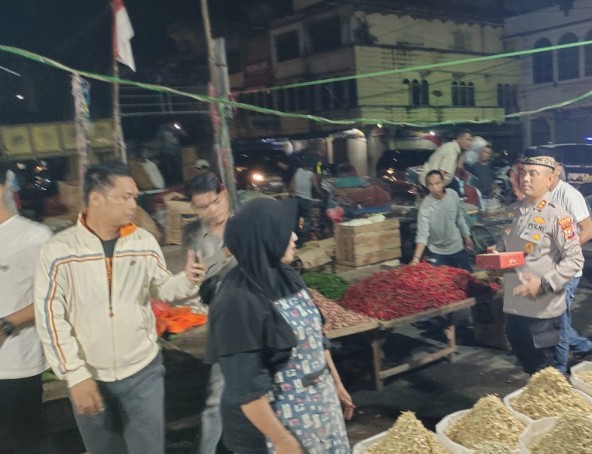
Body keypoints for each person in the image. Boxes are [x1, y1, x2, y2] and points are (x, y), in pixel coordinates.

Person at [33, 161, 204, 454]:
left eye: (135, 197)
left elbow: (161, 288)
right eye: (125, 197)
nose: (133, 204)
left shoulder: (142, 241)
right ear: (97, 199)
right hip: (90, 377)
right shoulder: (60, 251)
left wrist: (187, 280)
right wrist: (75, 375)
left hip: (143, 370)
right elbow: (50, 317)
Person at [206, 198, 353, 454]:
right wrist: (283, 440)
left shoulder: (287, 275)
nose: (294, 237)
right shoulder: (236, 301)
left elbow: (316, 335)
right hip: (277, 423)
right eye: (286, 231)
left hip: (321, 405)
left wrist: (336, 383)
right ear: (265, 236)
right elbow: (246, 389)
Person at [492, 154, 584, 374]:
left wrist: (544, 283)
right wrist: (496, 254)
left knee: (547, 371)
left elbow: (575, 259)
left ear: (549, 180)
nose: (526, 179)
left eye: (534, 174)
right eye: (523, 173)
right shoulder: (514, 211)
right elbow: (507, 247)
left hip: (543, 309)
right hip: (515, 305)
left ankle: (556, 407)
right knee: (526, 363)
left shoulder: (557, 216)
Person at [0, 161, 53, 454]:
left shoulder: (33, 237)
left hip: (16, 364)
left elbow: (52, 297)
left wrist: (8, 323)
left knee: (25, 441)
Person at [183, 173, 238, 454]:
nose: (212, 211)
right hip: (223, 321)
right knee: (216, 397)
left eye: (215, 202)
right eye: (203, 207)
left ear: (225, 194)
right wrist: (226, 254)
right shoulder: (193, 234)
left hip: (259, 314)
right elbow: (200, 276)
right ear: (194, 208)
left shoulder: (245, 221)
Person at [548, 163, 592, 370]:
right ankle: (581, 344)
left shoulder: (569, 195)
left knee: (557, 320)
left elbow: (588, 231)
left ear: (557, 169)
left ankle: (558, 371)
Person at [410, 170, 474, 270]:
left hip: (457, 248)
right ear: (427, 186)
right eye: (431, 185)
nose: (435, 188)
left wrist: (466, 236)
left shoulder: (453, 195)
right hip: (437, 252)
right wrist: (416, 259)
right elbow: (422, 235)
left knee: (469, 281)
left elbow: (459, 218)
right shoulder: (425, 207)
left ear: (443, 182)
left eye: (437, 183)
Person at [287, 158, 321, 245]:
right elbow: (316, 188)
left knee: (299, 219)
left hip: (297, 200)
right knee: (306, 221)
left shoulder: (298, 171)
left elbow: (292, 186)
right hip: (306, 201)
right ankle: (304, 241)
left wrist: (290, 194)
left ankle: (296, 239)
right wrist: (322, 194)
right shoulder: (311, 174)